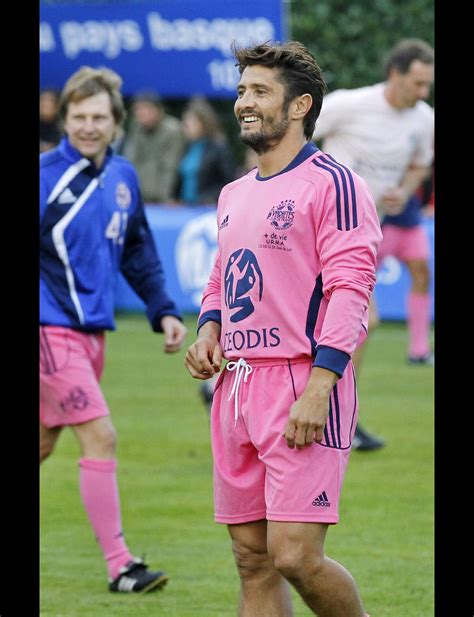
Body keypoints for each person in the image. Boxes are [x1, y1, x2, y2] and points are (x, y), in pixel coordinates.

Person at [185, 41, 381, 617]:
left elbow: (351, 289)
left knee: (295, 555)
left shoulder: (334, 184)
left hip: (303, 385)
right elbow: (223, 274)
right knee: (252, 559)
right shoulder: (234, 192)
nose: (244, 101)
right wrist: (209, 328)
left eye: (260, 91)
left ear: (300, 106)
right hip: (237, 388)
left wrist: (320, 388)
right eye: (243, 89)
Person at [40, 66, 187, 594]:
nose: (88, 126)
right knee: (101, 436)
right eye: (78, 116)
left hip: (90, 336)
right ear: (64, 119)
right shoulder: (43, 177)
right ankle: (121, 566)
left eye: (98, 116)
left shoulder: (122, 176)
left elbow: (138, 250)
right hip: (48, 333)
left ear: (116, 122)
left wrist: (163, 309)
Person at [313, 38, 434, 451]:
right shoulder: (349, 105)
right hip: (320, 232)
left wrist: (404, 189)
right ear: (395, 74)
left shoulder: (424, 119)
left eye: (427, 85)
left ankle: (337, 412)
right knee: (361, 321)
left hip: (363, 236)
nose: (423, 93)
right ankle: (337, 414)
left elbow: (420, 163)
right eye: (417, 83)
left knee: (345, 323)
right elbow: (291, 139)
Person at [121, 91, 185, 203]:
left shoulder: (172, 130)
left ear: (158, 110)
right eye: (137, 110)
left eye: (145, 109)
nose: (140, 114)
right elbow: (130, 161)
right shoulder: (136, 128)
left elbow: (170, 167)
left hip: (163, 199)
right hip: (139, 197)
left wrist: (165, 198)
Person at [175, 97, 235, 205]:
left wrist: (209, 198)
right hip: (184, 207)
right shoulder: (186, 146)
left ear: (203, 123)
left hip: (207, 208)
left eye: (191, 122)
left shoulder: (219, 147)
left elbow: (228, 182)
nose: (186, 126)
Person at [40, 88, 62, 152]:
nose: (42, 107)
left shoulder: (63, 126)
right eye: (41, 102)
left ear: (57, 106)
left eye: (47, 105)